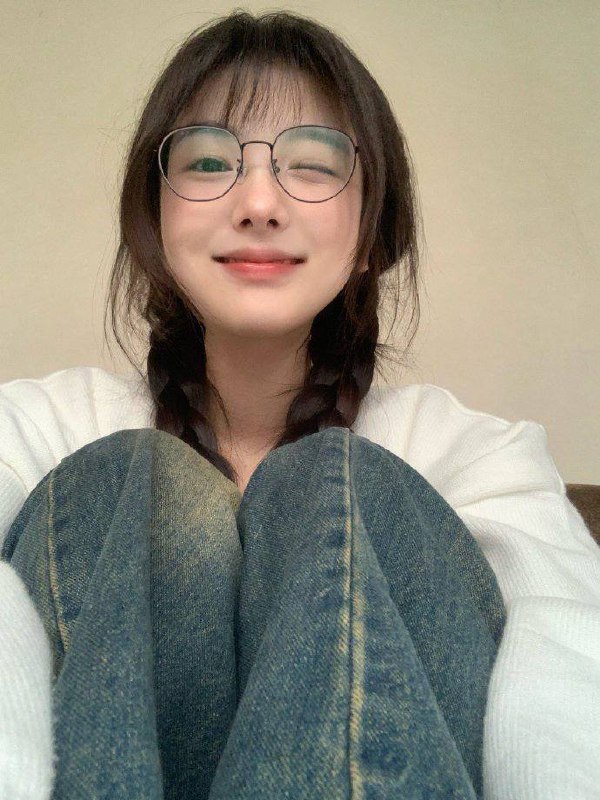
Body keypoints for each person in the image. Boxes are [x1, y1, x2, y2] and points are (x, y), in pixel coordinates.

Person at [0, 9, 599, 800]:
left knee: (334, 479)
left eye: (313, 164)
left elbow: (569, 660)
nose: (258, 201)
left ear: (373, 233)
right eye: (208, 161)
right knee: (130, 479)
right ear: (156, 219)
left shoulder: (479, 456)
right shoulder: (38, 428)